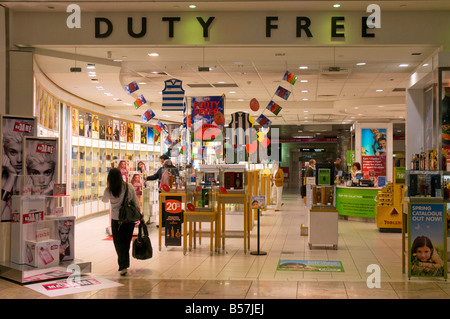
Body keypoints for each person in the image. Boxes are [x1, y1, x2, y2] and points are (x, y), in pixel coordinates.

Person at [102, 167, 142, 276]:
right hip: (128, 219)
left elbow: (104, 200)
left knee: (118, 243)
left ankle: (123, 265)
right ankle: (124, 264)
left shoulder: (109, 190)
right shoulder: (128, 187)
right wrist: (140, 214)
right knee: (126, 242)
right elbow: (135, 201)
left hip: (116, 219)